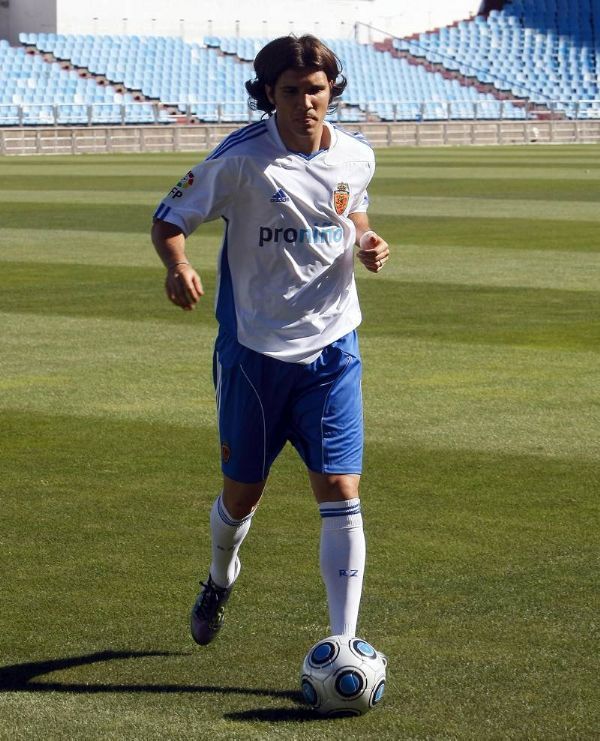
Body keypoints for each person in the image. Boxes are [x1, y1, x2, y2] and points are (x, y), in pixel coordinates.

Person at [151, 34, 390, 646]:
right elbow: (169, 218)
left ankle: (343, 643)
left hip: (334, 347)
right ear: (268, 94)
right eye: (291, 91)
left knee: (339, 488)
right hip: (255, 353)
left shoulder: (357, 156)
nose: (307, 102)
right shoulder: (240, 160)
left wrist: (364, 238)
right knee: (242, 495)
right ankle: (219, 576)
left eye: (316, 89)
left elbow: (352, 208)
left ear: (332, 89)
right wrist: (178, 265)